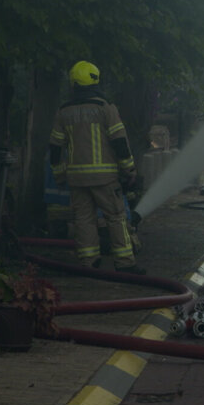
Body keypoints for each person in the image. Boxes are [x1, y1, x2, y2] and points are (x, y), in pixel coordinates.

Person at [49, 61, 144, 274]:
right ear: (96, 79)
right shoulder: (105, 107)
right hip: (105, 178)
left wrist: (59, 175)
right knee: (116, 217)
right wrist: (129, 169)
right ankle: (125, 263)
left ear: (73, 83)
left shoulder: (64, 111)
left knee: (83, 220)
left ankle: (89, 264)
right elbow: (119, 141)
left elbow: (55, 148)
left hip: (76, 179)